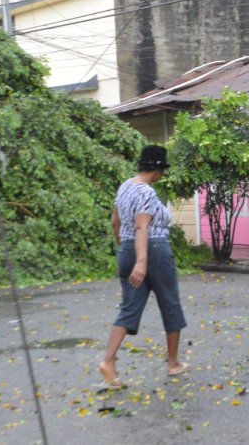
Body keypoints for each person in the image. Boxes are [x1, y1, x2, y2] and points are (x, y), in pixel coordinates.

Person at [98, 144, 189, 388]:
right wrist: (141, 262)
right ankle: (173, 363)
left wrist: (124, 250)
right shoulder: (147, 193)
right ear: (157, 170)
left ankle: (108, 362)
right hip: (154, 251)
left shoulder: (125, 187)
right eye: (163, 171)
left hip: (127, 248)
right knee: (170, 302)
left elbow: (115, 222)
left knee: (129, 307)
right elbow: (142, 227)